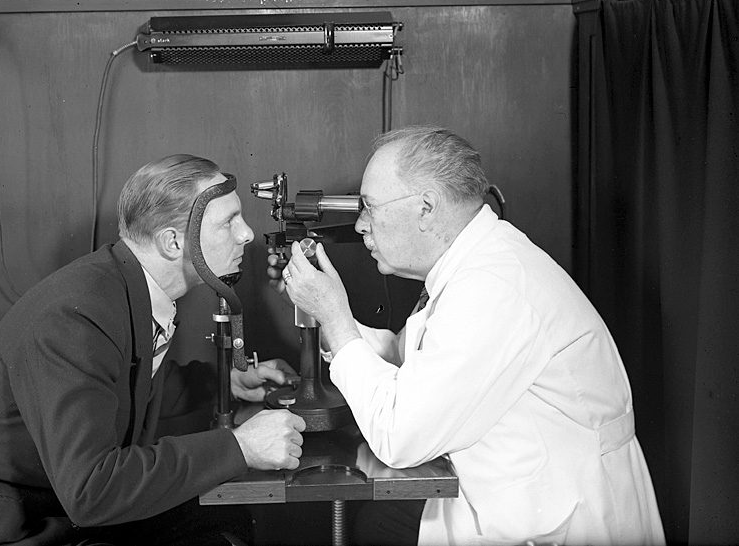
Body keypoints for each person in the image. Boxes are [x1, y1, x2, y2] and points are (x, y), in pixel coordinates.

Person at [269, 126, 666, 546]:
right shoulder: (475, 262)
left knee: (375, 526)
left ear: (426, 208)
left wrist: (335, 318)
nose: (361, 224)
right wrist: (324, 315)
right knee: (377, 523)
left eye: (369, 206)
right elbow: (409, 360)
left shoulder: (491, 285)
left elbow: (398, 436)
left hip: (558, 516)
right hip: (520, 491)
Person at [0, 154, 306, 546]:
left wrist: (223, 385)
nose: (246, 234)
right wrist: (239, 447)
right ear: (173, 242)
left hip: (57, 507)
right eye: (229, 222)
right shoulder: (76, 317)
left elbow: (118, 385)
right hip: (16, 531)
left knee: (221, 521)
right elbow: (91, 490)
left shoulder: (121, 286)